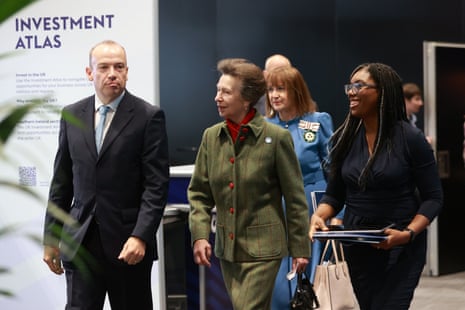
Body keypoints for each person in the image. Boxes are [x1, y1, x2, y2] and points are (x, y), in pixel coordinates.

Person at [42, 40, 170, 310]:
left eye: (119, 67)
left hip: (129, 245)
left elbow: (156, 186)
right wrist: (51, 238)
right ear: (90, 73)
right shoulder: (72, 114)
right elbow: (61, 183)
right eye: (104, 67)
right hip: (80, 244)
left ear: (126, 71)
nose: (112, 73)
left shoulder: (148, 117)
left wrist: (141, 236)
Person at [309, 62, 443, 309]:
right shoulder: (344, 138)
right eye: (350, 85)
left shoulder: (410, 139)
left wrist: (408, 234)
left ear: (383, 92)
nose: (351, 91)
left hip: (400, 243)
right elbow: (335, 195)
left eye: (359, 86)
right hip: (358, 243)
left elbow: (433, 197)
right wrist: (319, 215)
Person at [188, 58, 310, 309]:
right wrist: (200, 236)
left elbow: (295, 197)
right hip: (228, 250)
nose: (217, 97)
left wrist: (301, 249)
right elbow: (199, 194)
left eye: (225, 92)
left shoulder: (276, 138)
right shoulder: (211, 137)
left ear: (246, 99)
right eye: (217, 90)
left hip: (265, 249)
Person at [264, 65, 341, 309]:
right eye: (270, 89)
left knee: (310, 277)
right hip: (276, 207)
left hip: (312, 204)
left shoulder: (318, 121)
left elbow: (335, 170)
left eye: (281, 88)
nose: (274, 94)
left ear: (296, 90)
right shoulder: (265, 126)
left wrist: (337, 212)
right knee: (276, 278)